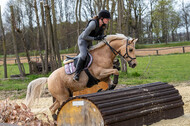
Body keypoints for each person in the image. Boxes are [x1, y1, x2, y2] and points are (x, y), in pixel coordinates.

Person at [73, 10, 111, 81]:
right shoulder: (93, 24)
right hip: (83, 41)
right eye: (107, 18)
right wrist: (95, 38)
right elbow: (84, 36)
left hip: (89, 41)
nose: (108, 20)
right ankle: (76, 74)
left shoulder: (103, 26)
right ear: (101, 18)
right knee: (84, 55)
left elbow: (101, 36)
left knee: (95, 55)